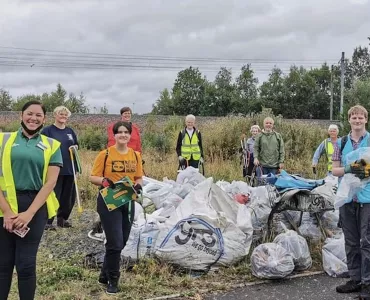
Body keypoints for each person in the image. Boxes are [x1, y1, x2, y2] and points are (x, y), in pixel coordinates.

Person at [0, 100, 62, 300]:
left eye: (38, 115)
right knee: (3, 264)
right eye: (29, 113)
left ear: (44, 119)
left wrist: (28, 214)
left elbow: (50, 183)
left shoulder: (51, 145)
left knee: (26, 265)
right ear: (21, 115)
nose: (33, 118)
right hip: (4, 205)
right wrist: (8, 212)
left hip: (34, 207)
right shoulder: (2, 140)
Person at [90, 121, 143, 295]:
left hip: (127, 201)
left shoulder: (135, 155)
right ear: (114, 135)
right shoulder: (105, 154)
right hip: (109, 201)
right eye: (119, 132)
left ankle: (104, 275)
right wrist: (104, 181)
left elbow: (139, 177)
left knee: (123, 240)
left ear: (130, 135)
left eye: (126, 132)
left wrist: (138, 185)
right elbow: (93, 177)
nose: (123, 135)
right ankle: (113, 280)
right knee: (115, 242)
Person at [332, 105, 370, 299]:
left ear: (366, 119)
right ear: (349, 120)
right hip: (348, 198)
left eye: (360, 117)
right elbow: (335, 170)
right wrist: (351, 168)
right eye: (354, 117)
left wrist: (366, 169)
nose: (357, 120)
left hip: (368, 198)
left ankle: (367, 283)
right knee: (352, 241)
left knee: (367, 241)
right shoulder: (341, 142)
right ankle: (355, 279)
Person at [41, 106, 79, 229]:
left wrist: (75, 148)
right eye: (61, 114)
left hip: (69, 168)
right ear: (55, 115)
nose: (63, 116)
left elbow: (76, 145)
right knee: (53, 194)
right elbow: (41, 147)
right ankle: (48, 220)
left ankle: (62, 219)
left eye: (65, 115)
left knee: (68, 196)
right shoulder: (48, 131)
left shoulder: (70, 131)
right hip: (54, 168)